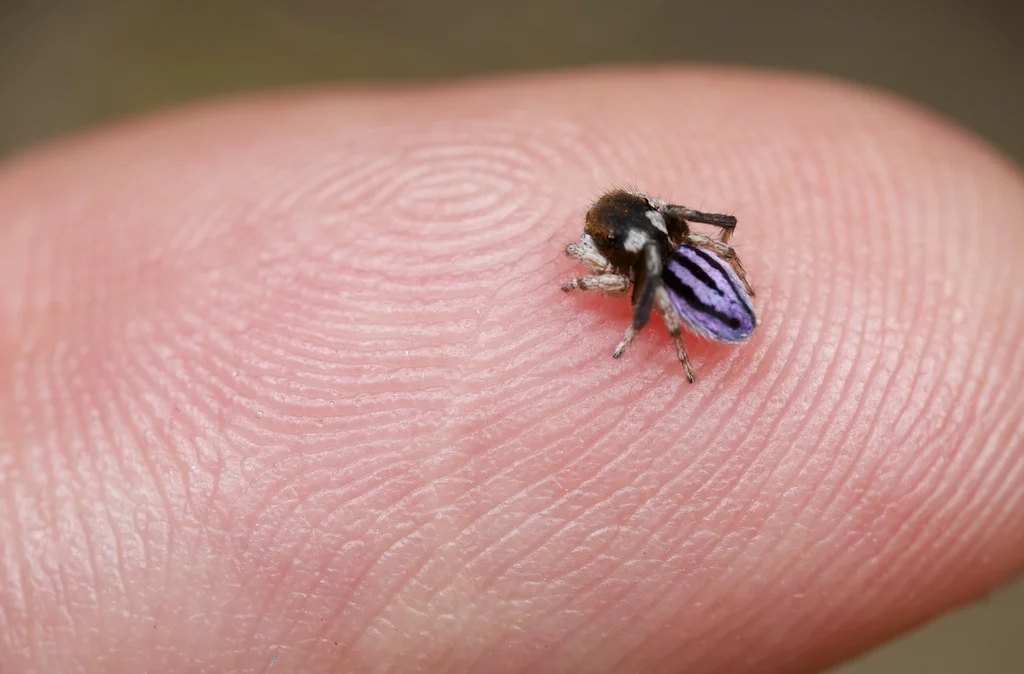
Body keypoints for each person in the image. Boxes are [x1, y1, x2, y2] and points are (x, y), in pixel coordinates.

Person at [1, 68, 1021, 673]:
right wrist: (634, 305)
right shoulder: (639, 244)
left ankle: (650, 332)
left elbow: (665, 251)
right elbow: (656, 248)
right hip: (689, 278)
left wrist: (637, 330)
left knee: (660, 300)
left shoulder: (654, 251)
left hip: (695, 288)